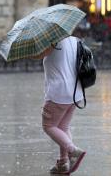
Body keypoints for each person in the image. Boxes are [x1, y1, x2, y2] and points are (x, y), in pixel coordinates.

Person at [33, 36, 86, 174]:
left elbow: (37, 55)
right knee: (63, 127)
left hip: (59, 93)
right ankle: (63, 163)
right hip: (76, 90)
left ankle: (73, 151)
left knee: (48, 126)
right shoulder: (74, 40)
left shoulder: (52, 42)